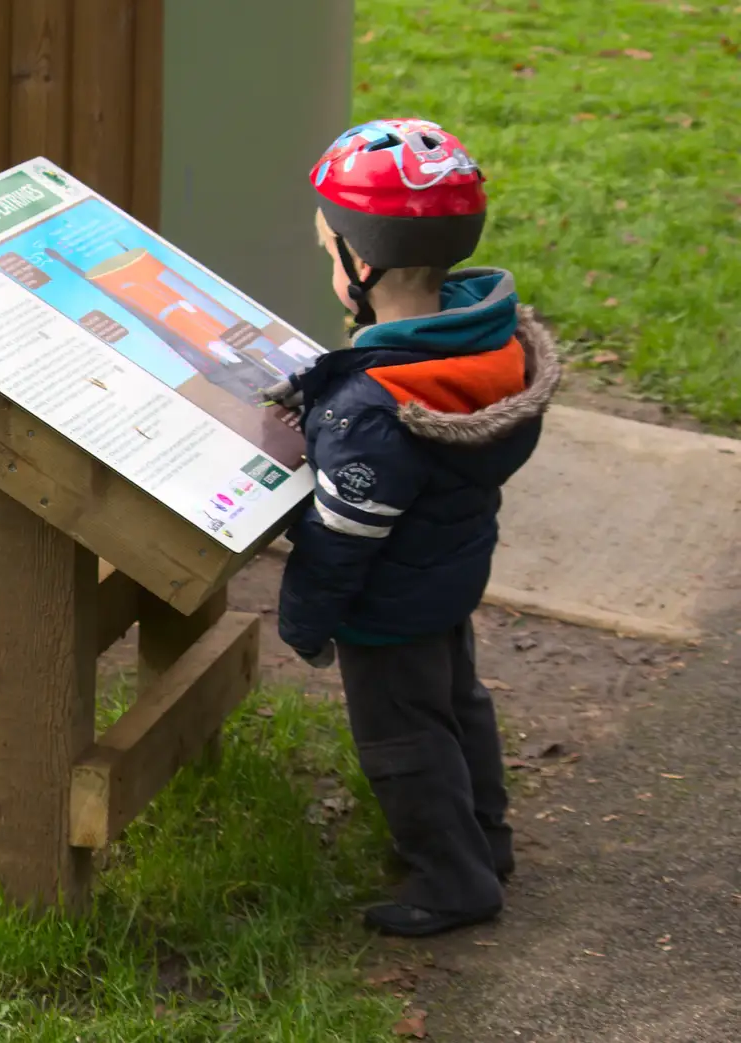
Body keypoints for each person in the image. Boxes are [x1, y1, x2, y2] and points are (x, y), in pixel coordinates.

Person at [263, 118, 561, 938]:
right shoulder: (478, 347)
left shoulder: (378, 411)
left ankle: (454, 881)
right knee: (458, 706)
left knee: (404, 741)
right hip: (447, 573)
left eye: (331, 253)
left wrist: (305, 619)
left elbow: (341, 535)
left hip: (388, 606)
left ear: (364, 261)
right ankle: (484, 841)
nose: (331, 265)